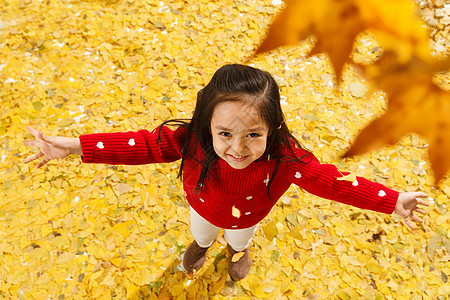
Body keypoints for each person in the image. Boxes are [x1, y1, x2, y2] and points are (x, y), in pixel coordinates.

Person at [23, 64, 429, 281]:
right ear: (207, 125)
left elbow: (333, 183)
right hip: (202, 206)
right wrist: (75, 146)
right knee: (199, 233)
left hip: (247, 218)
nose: (238, 148)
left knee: (238, 236)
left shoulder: (286, 159)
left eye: (254, 134)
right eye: (225, 133)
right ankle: (201, 247)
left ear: (273, 129)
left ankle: (237, 250)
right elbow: (142, 145)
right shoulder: (192, 141)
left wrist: (392, 201)